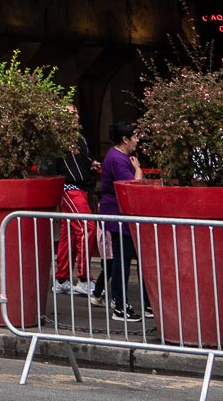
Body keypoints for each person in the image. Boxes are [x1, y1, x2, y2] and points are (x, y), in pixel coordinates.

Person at [98, 122, 145, 323]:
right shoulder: (117, 159)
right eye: (134, 137)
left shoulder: (119, 157)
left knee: (122, 260)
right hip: (118, 214)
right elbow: (133, 186)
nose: (137, 140)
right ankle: (119, 305)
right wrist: (138, 170)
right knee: (122, 261)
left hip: (120, 214)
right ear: (125, 139)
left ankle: (120, 302)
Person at [54, 136, 97, 296]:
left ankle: (62, 279)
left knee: (69, 232)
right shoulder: (62, 137)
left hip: (76, 187)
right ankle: (84, 279)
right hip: (70, 187)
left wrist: (91, 164)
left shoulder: (78, 138)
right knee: (87, 227)